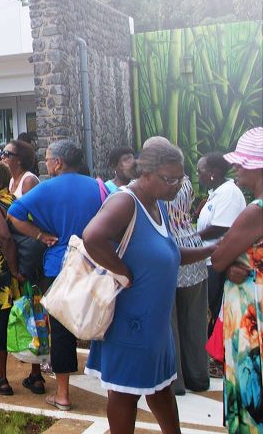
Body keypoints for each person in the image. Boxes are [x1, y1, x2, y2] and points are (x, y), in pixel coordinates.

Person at [83, 137, 213, 434]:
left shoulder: (157, 204)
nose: (177, 186)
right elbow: (92, 237)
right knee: (125, 394)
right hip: (132, 324)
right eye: (170, 179)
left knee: (161, 387)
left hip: (155, 325)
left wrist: (212, 251)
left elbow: (171, 255)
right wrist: (123, 273)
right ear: (145, 173)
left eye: (180, 179)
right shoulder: (125, 202)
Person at [7, 139, 103, 412]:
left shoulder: (46, 188)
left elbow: (14, 213)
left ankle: (62, 394)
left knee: (61, 330)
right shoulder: (98, 186)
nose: (46, 163)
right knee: (98, 319)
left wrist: (39, 234)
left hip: (57, 266)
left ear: (58, 163)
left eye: (47, 159)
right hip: (91, 262)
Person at [209, 127, 263, 432]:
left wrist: (231, 262)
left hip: (251, 312)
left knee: (250, 384)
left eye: (242, 163)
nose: (236, 168)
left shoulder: (255, 211)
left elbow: (218, 259)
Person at [0, 162, 44, 396]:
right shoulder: (17, 201)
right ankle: (36, 376)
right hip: (26, 269)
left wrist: (14, 269)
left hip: (5, 272)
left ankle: (1, 379)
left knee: (1, 322)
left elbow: (4, 237)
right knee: (30, 317)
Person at [164, 175, 210, 395]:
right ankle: (199, 378)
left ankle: (176, 383)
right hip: (193, 244)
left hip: (170, 250)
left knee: (169, 323)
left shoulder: (158, 184)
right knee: (195, 320)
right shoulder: (186, 181)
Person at [198, 150, 248, 338]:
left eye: (200, 170)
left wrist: (192, 237)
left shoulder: (230, 193)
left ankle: (213, 349)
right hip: (209, 259)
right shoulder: (217, 193)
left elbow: (221, 226)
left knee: (214, 306)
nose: (198, 175)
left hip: (219, 260)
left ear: (214, 172)